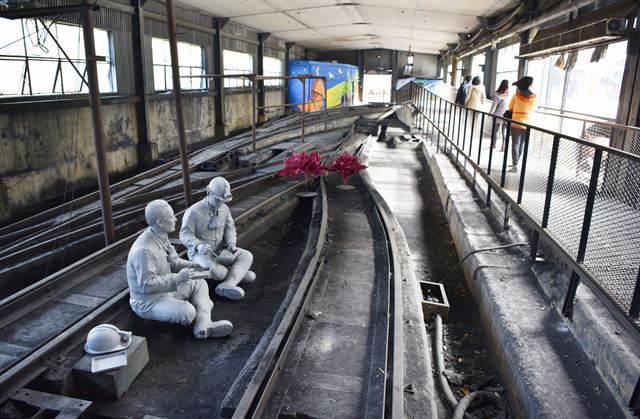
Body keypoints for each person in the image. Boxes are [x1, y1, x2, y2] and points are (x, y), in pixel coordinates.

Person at [126, 199, 233, 339]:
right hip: (149, 302)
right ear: (159, 222)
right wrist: (178, 278)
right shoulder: (144, 250)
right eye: (171, 216)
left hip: (166, 291)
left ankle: (203, 324)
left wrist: (191, 266)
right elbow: (146, 285)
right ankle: (203, 311)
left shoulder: (160, 235)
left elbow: (173, 262)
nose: (175, 218)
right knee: (188, 312)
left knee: (200, 282)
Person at [180, 177, 255, 301]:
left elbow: (229, 228)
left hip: (221, 251)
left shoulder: (224, 208)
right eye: (217, 199)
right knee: (220, 273)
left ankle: (229, 284)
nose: (220, 203)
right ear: (208, 193)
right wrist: (198, 245)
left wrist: (231, 243)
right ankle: (236, 275)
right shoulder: (193, 212)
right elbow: (184, 235)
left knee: (247, 256)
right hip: (201, 255)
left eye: (223, 201)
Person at [507, 76, 537, 172]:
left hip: (516, 122)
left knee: (515, 144)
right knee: (522, 144)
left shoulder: (516, 95)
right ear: (529, 85)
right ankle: (517, 163)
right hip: (528, 123)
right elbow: (534, 108)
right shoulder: (534, 96)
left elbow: (510, 108)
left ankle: (514, 164)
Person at [488, 80, 510, 150]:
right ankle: (503, 146)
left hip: (497, 115)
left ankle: (493, 145)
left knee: (495, 131)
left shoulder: (497, 95)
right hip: (506, 116)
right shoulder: (508, 94)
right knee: (504, 132)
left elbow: (494, 106)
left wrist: (490, 114)